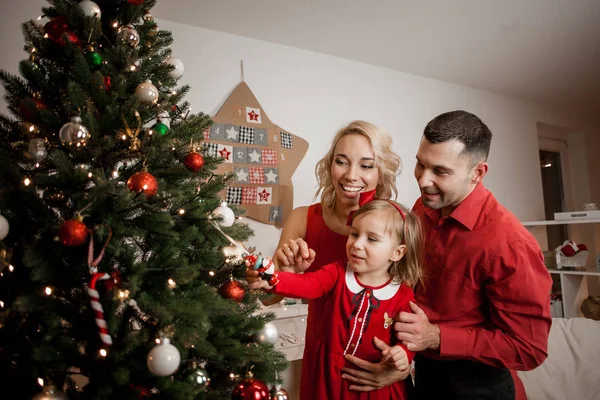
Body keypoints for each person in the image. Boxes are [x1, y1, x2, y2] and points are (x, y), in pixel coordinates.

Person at [394, 110, 552, 400]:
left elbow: (529, 349)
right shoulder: (423, 206)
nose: (423, 180)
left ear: (477, 173)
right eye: (420, 164)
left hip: (479, 386)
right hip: (425, 373)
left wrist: (437, 336)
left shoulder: (511, 244)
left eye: (440, 171)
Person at [247, 120, 409, 394]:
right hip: (323, 363)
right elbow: (267, 296)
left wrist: (400, 365)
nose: (351, 175)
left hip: (376, 371)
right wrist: (286, 269)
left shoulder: (396, 226)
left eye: (366, 165)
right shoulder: (302, 219)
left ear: (381, 172)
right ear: (329, 165)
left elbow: (408, 306)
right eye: (342, 161)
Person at [248, 198, 423, 399]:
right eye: (354, 234)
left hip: (372, 386)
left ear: (397, 252)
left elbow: (407, 339)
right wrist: (272, 279)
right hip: (329, 379)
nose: (357, 244)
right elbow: (308, 285)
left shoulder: (403, 294)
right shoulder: (337, 272)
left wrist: (403, 354)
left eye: (372, 239)